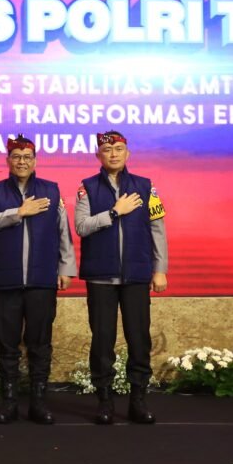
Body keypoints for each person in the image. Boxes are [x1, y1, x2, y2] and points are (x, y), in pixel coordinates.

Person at [0, 134, 76, 424]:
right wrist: (18, 212)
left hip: (41, 279)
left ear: (35, 161)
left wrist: (66, 267)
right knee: (6, 344)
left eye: (27, 157)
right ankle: (9, 403)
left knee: (40, 344)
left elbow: (63, 231)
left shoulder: (51, 190)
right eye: (16, 157)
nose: (22, 162)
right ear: (8, 160)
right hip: (6, 281)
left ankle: (38, 403)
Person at [74, 131, 168, 425]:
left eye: (118, 149)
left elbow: (157, 228)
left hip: (136, 276)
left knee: (139, 340)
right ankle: (105, 401)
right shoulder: (87, 188)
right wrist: (114, 212)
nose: (113, 154)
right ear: (98, 155)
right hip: (100, 277)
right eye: (107, 149)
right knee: (102, 341)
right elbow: (81, 226)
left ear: (128, 154)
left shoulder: (146, 187)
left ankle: (138, 400)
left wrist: (160, 269)